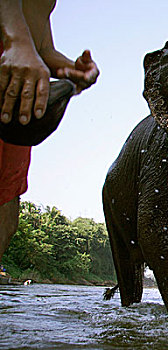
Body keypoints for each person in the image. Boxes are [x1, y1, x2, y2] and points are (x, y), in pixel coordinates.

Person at [0, 0, 99, 260]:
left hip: (18, 86)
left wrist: (69, 70)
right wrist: (16, 41)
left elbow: (41, 45)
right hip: (12, 60)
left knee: (4, 218)